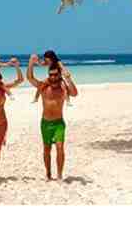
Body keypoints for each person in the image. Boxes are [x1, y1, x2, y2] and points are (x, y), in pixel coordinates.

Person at [27, 50, 78, 181]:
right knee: (47, 149)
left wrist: (68, 78)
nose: (53, 77)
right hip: (45, 123)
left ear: (59, 75)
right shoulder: (44, 87)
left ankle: (59, 175)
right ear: (48, 75)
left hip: (59, 123)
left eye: (55, 75)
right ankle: (48, 173)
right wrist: (31, 63)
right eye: (51, 75)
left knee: (60, 147)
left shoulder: (62, 87)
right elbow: (30, 78)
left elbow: (74, 93)